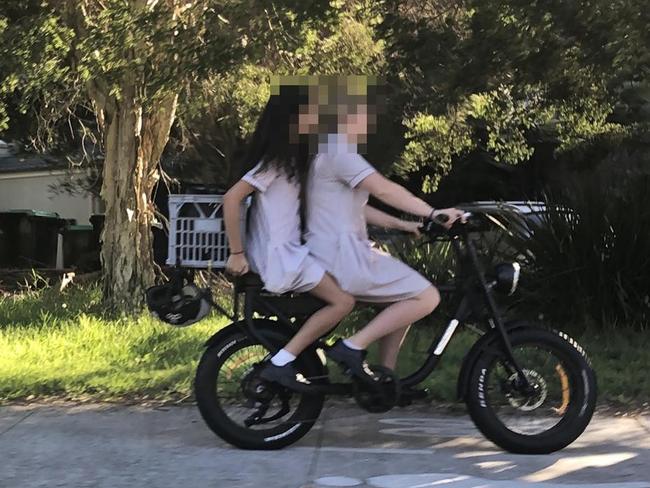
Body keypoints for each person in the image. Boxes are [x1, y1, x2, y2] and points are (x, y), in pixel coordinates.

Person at [305, 94, 465, 383]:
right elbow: (385, 190)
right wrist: (433, 213)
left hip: (332, 252)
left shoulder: (327, 154)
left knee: (401, 300)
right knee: (427, 296)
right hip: (342, 258)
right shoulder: (340, 153)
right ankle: (351, 347)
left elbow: (358, 208)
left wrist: (403, 225)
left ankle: (385, 380)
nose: (368, 122)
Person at [222, 83, 355, 392]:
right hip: (283, 260)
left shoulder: (292, 161)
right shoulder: (274, 163)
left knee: (351, 278)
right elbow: (232, 199)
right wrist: (236, 252)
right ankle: (283, 360)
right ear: (291, 118)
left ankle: (300, 350)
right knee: (343, 301)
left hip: (290, 253)